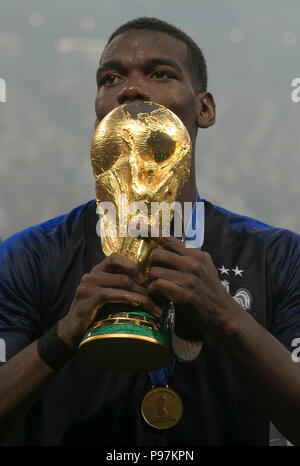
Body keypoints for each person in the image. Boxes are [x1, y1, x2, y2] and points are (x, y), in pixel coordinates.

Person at [0, 17, 299, 446]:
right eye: (110, 77)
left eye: (160, 73)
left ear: (205, 109)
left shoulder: (277, 256)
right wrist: (63, 334)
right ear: (99, 108)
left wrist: (226, 316)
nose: (130, 89)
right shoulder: (28, 255)